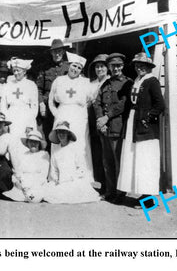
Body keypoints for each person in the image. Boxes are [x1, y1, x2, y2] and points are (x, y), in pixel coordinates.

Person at [117, 52, 165, 207]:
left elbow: (160, 105)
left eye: (143, 66)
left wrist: (148, 118)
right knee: (133, 158)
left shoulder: (152, 81)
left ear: (148, 67)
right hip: (133, 124)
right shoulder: (136, 81)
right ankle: (135, 193)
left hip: (146, 128)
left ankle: (148, 198)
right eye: (137, 66)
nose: (140, 68)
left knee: (146, 160)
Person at [93, 53, 133, 202]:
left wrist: (106, 117)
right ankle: (110, 191)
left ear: (122, 66)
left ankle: (120, 193)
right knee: (107, 162)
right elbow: (96, 102)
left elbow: (123, 103)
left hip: (117, 127)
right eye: (113, 66)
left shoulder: (127, 83)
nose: (115, 68)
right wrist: (99, 120)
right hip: (104, 129)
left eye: (118, 66)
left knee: (118, 161)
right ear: (109, 67)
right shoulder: (106, 84)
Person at [48, 51, 93, 179]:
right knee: (59, 143)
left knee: (79, 145)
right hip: (62, 114)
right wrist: (56, 113)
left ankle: (81, 177)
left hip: (79, 117)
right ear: (69, 65)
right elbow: (51, 100)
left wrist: (82, 115)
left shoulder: (85, 82)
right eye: (74, 66)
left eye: (79, 68)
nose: (76, 69)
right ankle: (57, 176)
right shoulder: (59, 80)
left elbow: (90, 100)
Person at [44, 121, 100, 204]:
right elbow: (54, 169)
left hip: (74, 180)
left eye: (63, 132)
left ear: (68, 134)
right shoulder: (56, 151)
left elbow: (81, 167)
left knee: (73, 194)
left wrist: (73, 179)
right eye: (59, 132)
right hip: (61, 181)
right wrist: (56, 179)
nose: (61, 135)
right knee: (50, 193)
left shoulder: (75, 147)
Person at [2, 57, 39, 164]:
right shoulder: (8, 85)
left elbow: (34, 106)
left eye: (19, 70)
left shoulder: (31, 85)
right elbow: (3, 105)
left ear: (25, 71)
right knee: (13, 144)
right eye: (14, 70)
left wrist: (30, 124)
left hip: (26, 117)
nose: (16, 73)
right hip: (12, 117)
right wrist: (5, 123)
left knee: (26, 143)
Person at [36, 39, 70, 148]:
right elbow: (38, 89)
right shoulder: (45, 68)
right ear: (51, 53)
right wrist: (41, 103)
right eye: (55, 51)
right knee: (49, 134)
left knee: (63, 133)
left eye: (59, 51)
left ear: (63, 52)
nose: (57, 54)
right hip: (47, 108)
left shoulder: (69, 67)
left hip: (63, 107)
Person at [3, 129, 50, 203]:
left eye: (35, 142)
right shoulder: (24, 155)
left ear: (39, 143)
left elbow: (43, 175)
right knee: (14, 196)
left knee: (33, 199)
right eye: (31, 141)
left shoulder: (44, 155)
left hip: (37, 185)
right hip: (23, 184)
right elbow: (18, 171)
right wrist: (17, 182)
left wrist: (29, 186)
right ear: (27, 143)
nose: (33, 144)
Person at [87, 53, 109, 192]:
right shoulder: (91, 84)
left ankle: (111, 186)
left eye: (102, 66)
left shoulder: (110, 81)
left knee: (108, 154)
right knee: (97, 153)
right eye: (97, 67)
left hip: (106, 121)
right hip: (92, 120)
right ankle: (101, 184)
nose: (99, 69)